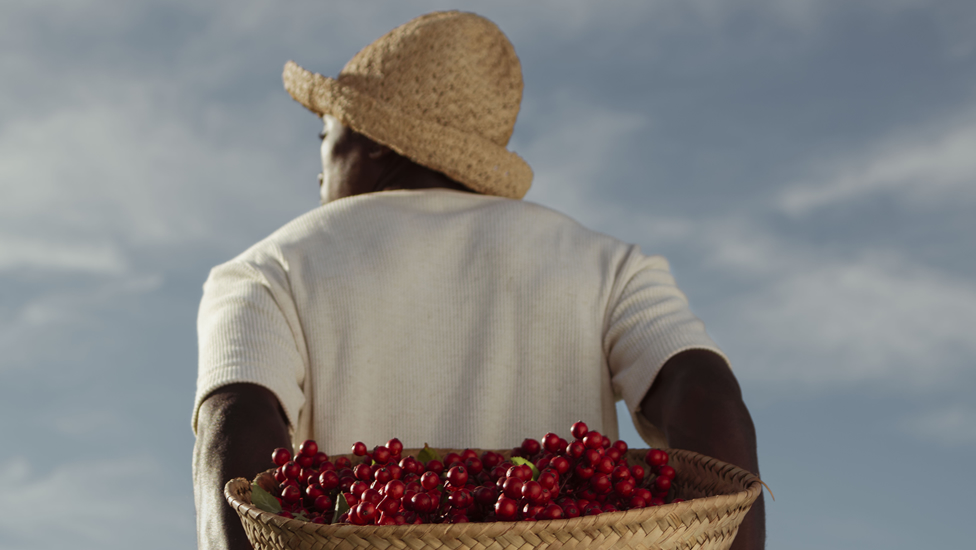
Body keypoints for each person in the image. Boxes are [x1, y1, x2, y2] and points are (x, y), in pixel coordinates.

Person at [192, 10, 764, 550]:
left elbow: (234, 424)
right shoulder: (607, 264)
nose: (319, 165)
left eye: (325, 134)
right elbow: (705, 394)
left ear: (373, 138)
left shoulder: (264, 271)